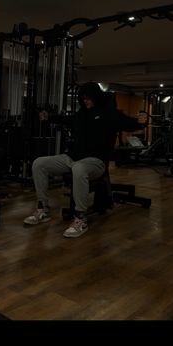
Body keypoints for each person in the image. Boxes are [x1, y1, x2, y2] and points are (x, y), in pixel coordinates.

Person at [23, 82, 147, 238]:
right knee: (39, 163)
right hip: (72, 158)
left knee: (79, 168)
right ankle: (43, 209)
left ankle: (80, 218)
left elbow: (130, 124)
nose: (86, 102)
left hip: (95, 162)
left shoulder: (110, 113)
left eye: (89, 99)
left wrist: (142, 121)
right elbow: (67, 119)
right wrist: (50, 117)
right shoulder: (82, 113)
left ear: (96, 97)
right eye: (84, 99)